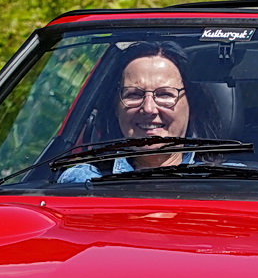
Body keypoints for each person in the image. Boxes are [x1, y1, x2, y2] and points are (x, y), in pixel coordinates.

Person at [58, 44, 197, 182]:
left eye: (164, 94)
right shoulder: (82, 182)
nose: (148, 108)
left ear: (192, 105)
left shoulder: (217, 185)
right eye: (134, 94)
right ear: (116, 108)